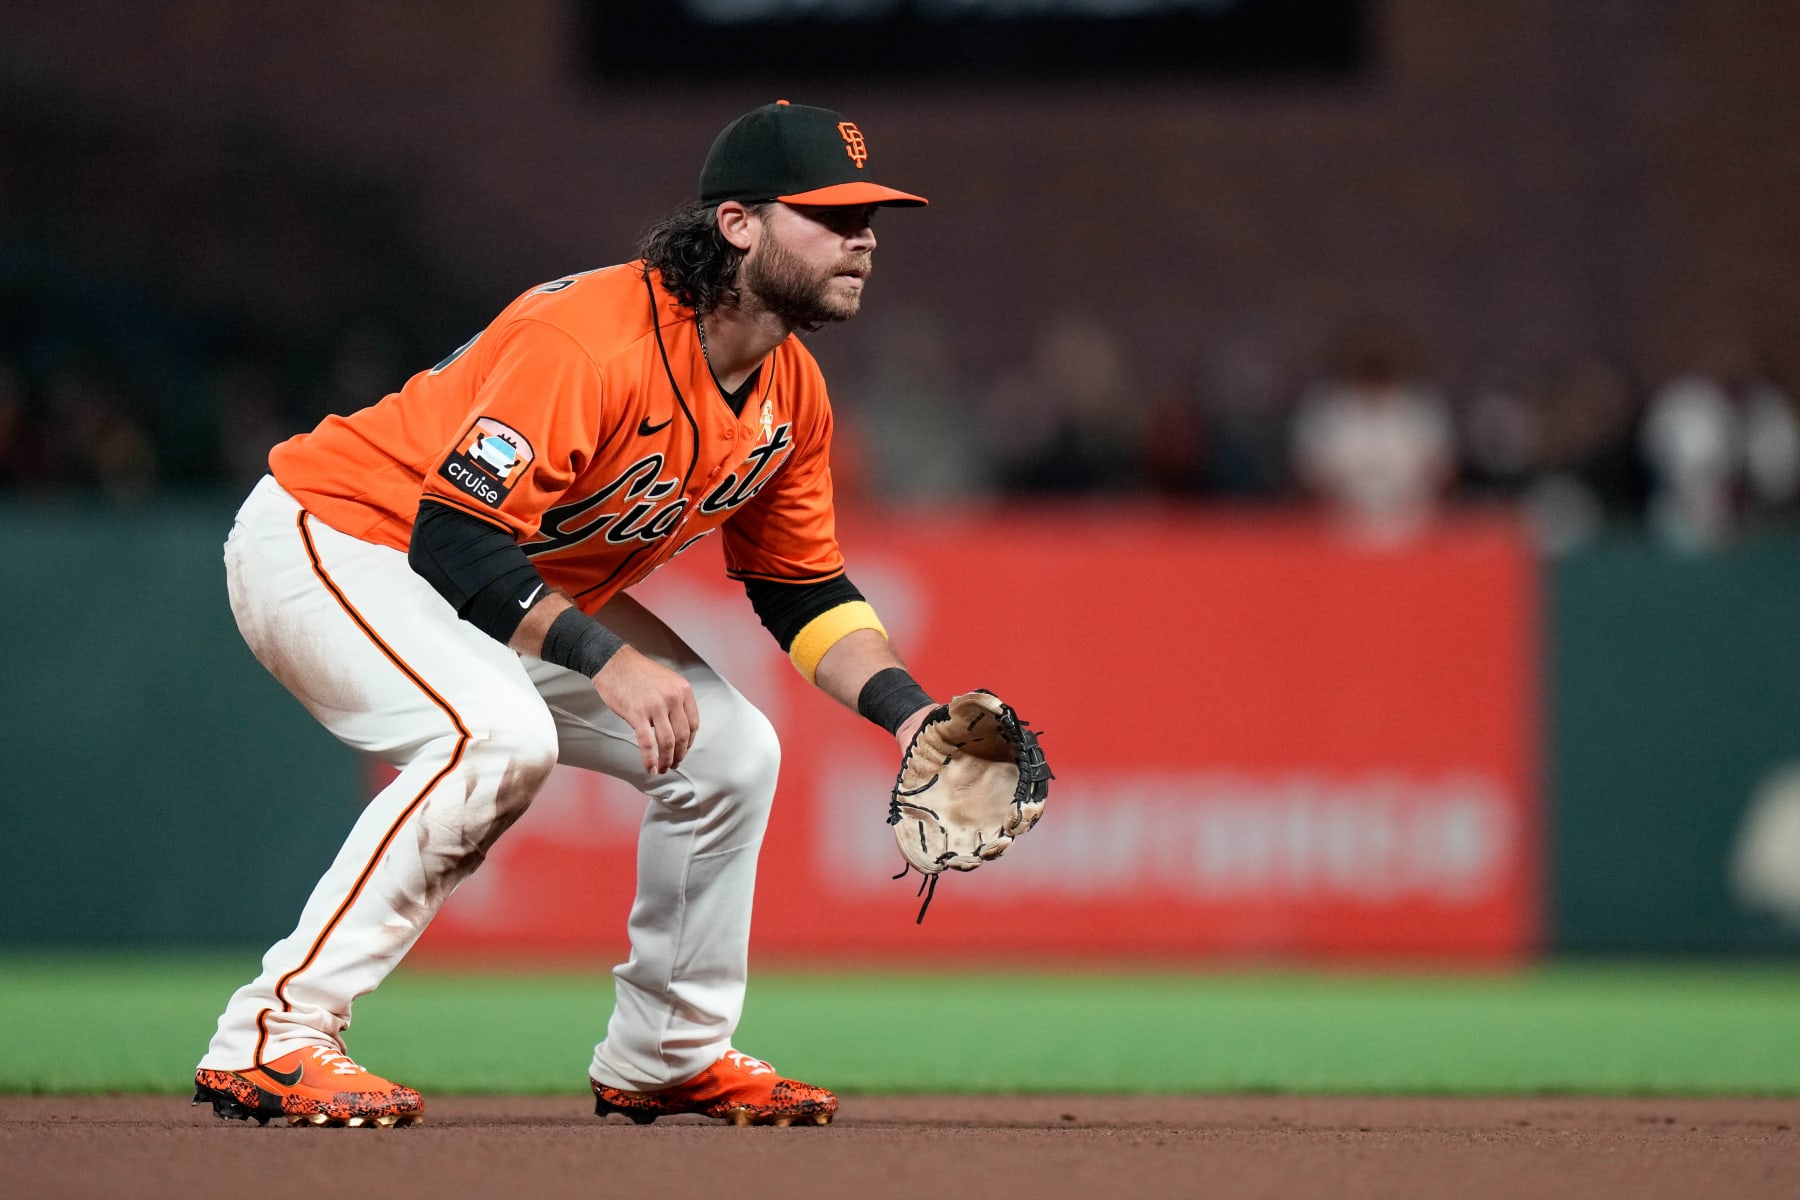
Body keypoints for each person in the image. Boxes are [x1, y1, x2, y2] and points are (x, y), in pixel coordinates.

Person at [194, 101, 941, 1129]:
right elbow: (451, 537)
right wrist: (607, 660)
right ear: (738, 224)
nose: (862, 238)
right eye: (829, 214)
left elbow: (800, 590)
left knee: (733, 754)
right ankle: (274, 1036)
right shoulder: (591, 339)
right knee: (497, 736)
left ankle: (669, 1054)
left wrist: (910, 714)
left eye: (870, 218)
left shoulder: (793, 396)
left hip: (494, 577)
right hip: (339, 536)